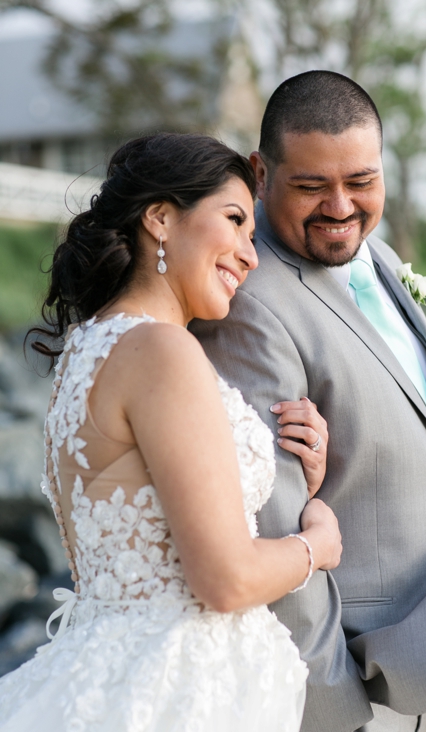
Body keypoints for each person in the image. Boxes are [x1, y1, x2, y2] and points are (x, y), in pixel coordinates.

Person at [0, 132, 344, 731]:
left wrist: (293, 472)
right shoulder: (161, 349)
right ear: (160, 218)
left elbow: (148, 514)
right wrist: (315, 547)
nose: (250, 251)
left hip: (106, 670)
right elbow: (225, 578)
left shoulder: (88, 349)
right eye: (235, 220)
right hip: (177, 688)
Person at [190, 70, 426, 732]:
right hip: (349, 676)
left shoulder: (372, 254)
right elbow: (272, 521)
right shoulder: (249, 304)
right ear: (261, 173)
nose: (342, 207)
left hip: (421, 650)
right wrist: (334, 705)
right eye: (312, 186)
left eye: (361, 182)